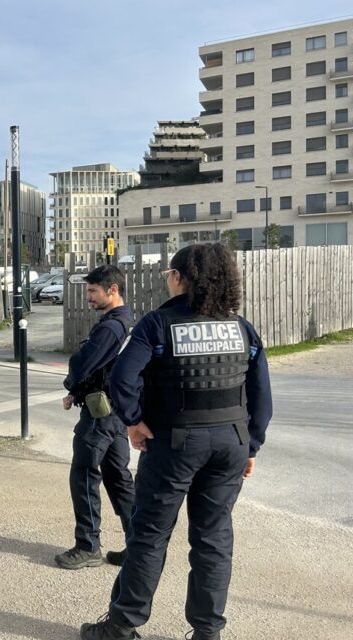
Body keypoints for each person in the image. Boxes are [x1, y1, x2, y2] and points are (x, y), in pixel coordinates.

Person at [80, 243, 273, 640]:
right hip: (230, 444)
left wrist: (134, 421)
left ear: (181, 277)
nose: (167, 279)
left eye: (170, 273)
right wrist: (250, 447)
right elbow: (261, 395)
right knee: (213, 538)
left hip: (175, 443)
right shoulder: (241, 327)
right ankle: (207, 632)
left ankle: (121, 626)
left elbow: (121, 378)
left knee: (149, 534)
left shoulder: (157, 324)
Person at [56, 265, 136, 570]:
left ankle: (87, 545)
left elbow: (83, 363)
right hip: (115, 412)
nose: (88, 297)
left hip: (100, 414)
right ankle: (138, 544)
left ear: (112, 290)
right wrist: (76, 393)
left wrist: (72, 385)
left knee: (84, 474)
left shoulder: (112, 327)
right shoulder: (126, 322)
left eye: (93, 291)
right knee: (119, 478)